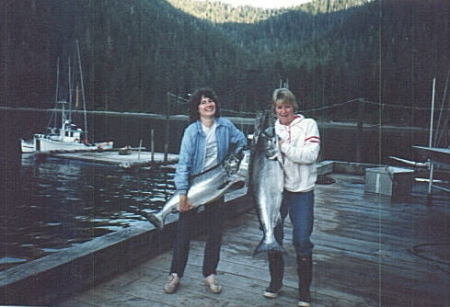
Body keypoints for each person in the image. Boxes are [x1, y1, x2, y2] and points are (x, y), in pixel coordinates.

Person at [163, 87, 247, 295]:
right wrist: (182, 194)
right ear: (197, 108)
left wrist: (232, 155)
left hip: (216, 187)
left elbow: (242, 141)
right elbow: (183, 164)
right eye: (203, 102)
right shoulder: (192, 131)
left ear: (215, 104)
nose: (208, 105)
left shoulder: (226, 126)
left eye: (210, 101)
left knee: (215, 233)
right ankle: (175, 274)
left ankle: (210, 274)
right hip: (193, 188)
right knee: (183, 234)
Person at [263, 88, 320, 307]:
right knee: (273, 236)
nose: (283, 110)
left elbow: (310, 155)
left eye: (287, 106)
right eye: (279, 107)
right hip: (277, 193)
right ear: (274, 110)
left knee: (302, 240)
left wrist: (283, 146)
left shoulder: (308, 125)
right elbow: (260, 162)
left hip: (302, 192)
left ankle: (304, 292)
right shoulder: (270, 132)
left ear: (293, 106)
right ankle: (275, 283)